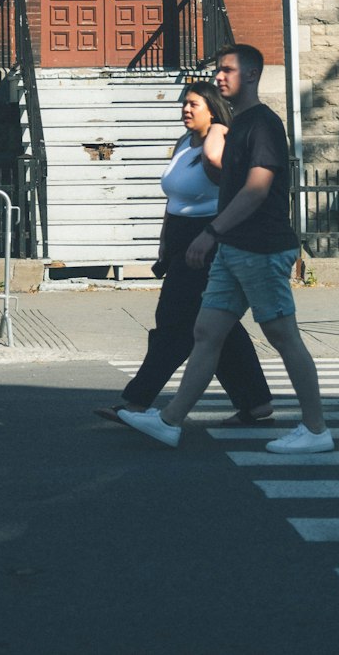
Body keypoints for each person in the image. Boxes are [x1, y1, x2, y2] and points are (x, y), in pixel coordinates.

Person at [118, 43, 334, 454]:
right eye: (218, 70)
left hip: (261, 248)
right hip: (234, 247)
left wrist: (211, 232)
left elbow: (256, 190)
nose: (219, 76)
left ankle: (316, 429)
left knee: (283, 337)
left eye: (228, 70)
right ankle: (169, 421)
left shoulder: (263, 125)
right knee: (206, 332)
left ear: (251, 75)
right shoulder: (239, 125)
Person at [94, 82, 273, 427]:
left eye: (194, 104)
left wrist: (218, 134)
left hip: (207, 242)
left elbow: (227, 181)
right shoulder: (182, 143)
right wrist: (164, 242)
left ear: (213, 109)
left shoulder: (221, 145)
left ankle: (136, 402)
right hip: (180, 240)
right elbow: (173, 198)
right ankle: (257, 405)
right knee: (219, 326)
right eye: (184, 104)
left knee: (174, 323)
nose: (186, 110)